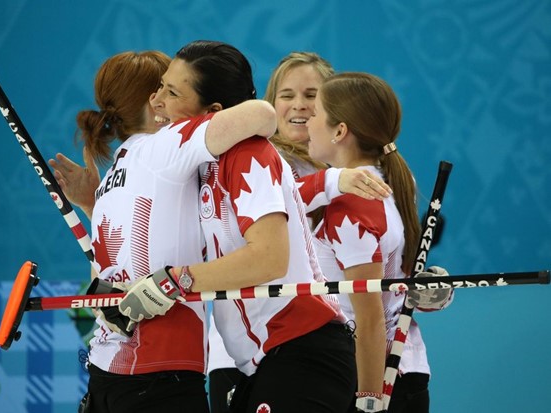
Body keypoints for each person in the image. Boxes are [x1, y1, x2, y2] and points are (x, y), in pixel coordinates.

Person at [116, 42, 367, 413]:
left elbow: (268, 259)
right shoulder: (197, 167)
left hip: (304, 350)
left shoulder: (249, 153)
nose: (157, 101)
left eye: (172, 92)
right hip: (261, 362)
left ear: (214, 112)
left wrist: (173, 281)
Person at [50, 46, 280, 413]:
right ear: (152, 101)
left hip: (105, 375)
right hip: (160, 372)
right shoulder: (168, 143)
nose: (167, 98)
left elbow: (106, 273)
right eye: (166, 88)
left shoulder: (113, 175)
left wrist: (91, 205)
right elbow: (263, 115)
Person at [303, 71, 453, 413]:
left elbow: (368, 318)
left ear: (340, 131)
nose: (308, 123)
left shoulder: (352, 205)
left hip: (370, 376)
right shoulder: (388, 180)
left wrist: (368, 401)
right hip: (387, 370)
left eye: (315, 115)